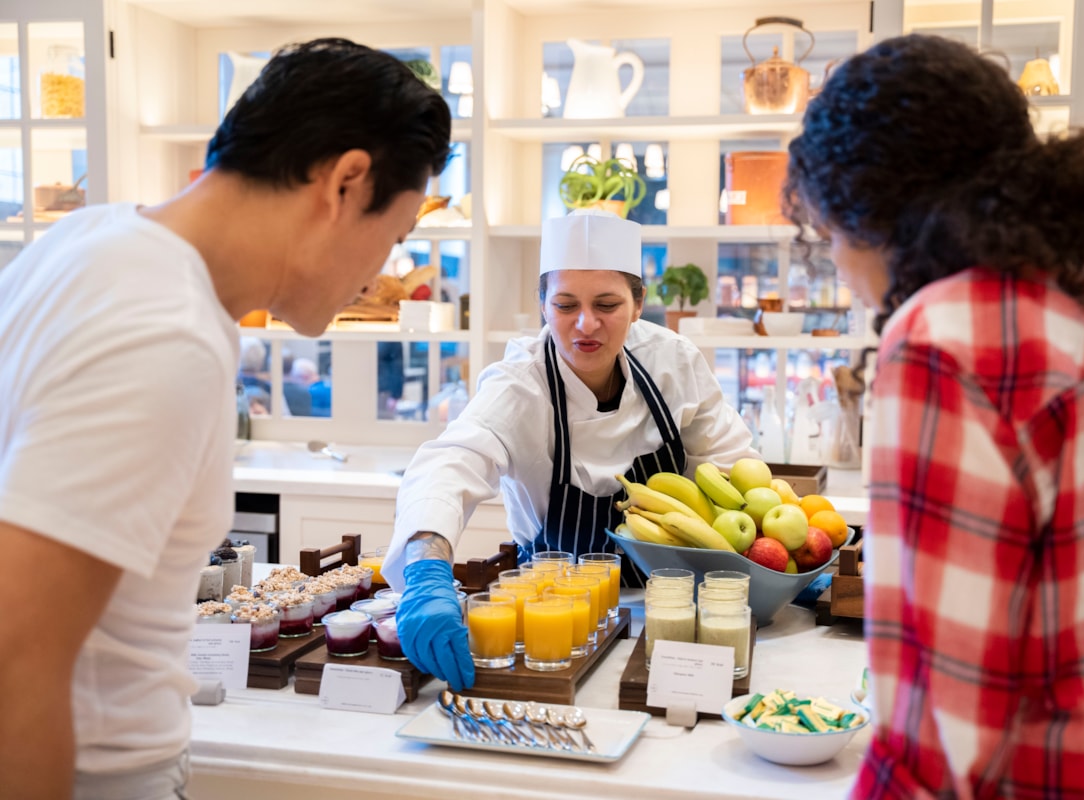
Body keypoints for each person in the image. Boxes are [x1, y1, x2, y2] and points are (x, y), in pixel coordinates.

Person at [0, 38, 450, 798]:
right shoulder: (163, 332)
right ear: (346, 181)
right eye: (394, 238)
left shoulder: (90, 240)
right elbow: (17, 657)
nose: (381, 275)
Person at [784, 34, 1084, 797]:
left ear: (878, 212)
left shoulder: (945, 341)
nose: (838, 265)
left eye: (831, 232)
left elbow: (936, 734)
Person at [381, 208, 756, 690]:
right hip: (551, 629)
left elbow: (731, 469)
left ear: (638, 304)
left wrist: (770, 561)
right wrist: (426, 570)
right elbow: (451, 462)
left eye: (607, 304)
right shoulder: (521, 383)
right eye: (564, 305)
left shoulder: (673, 362)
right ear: (542, 305)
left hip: (675, 617)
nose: (586, 324)